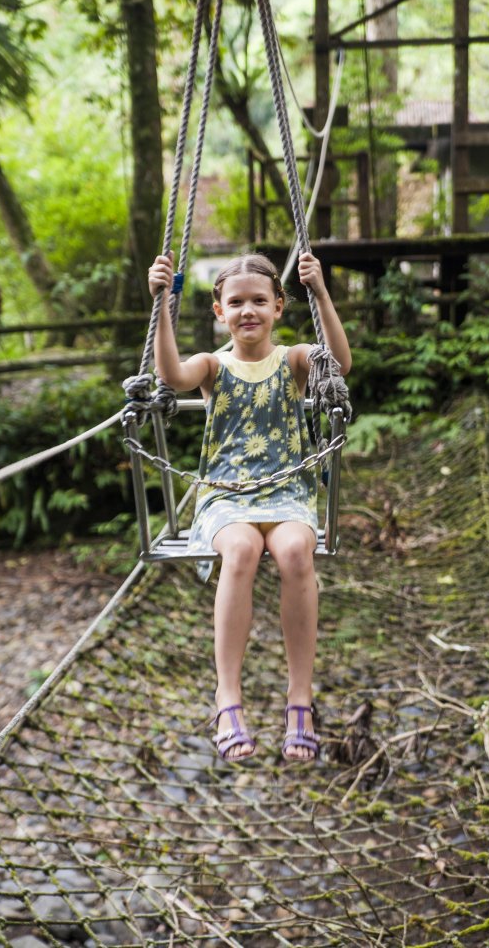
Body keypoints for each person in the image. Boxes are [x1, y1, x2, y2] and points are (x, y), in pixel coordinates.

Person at [148, 250, 352, 763]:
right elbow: (171, 375)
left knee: (294, 553)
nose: (248, 311)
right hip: (226, 494)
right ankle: (227, 696)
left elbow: (340, 363)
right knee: (239, 550)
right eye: (235, 302)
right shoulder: (213, 365)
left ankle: (299, 698)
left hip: (287, 492)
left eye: (259, 300)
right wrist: (161, 305)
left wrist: (321, 292)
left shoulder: (295, 360)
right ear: (219, 311)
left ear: (279, 307)